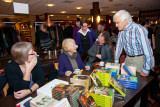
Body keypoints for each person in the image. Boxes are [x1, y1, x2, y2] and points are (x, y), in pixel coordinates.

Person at [113, 10, 159, 103]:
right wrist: (116, 61)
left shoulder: (139, 29)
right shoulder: (122, 31)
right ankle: (128, 102)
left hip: (139, 59)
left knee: (137, 88)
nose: (116, 25)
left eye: (117, 23)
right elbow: (119, 46)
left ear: (125, 21)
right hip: (128, 58)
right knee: (127, 84)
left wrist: (146, 69)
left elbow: (147, 50)